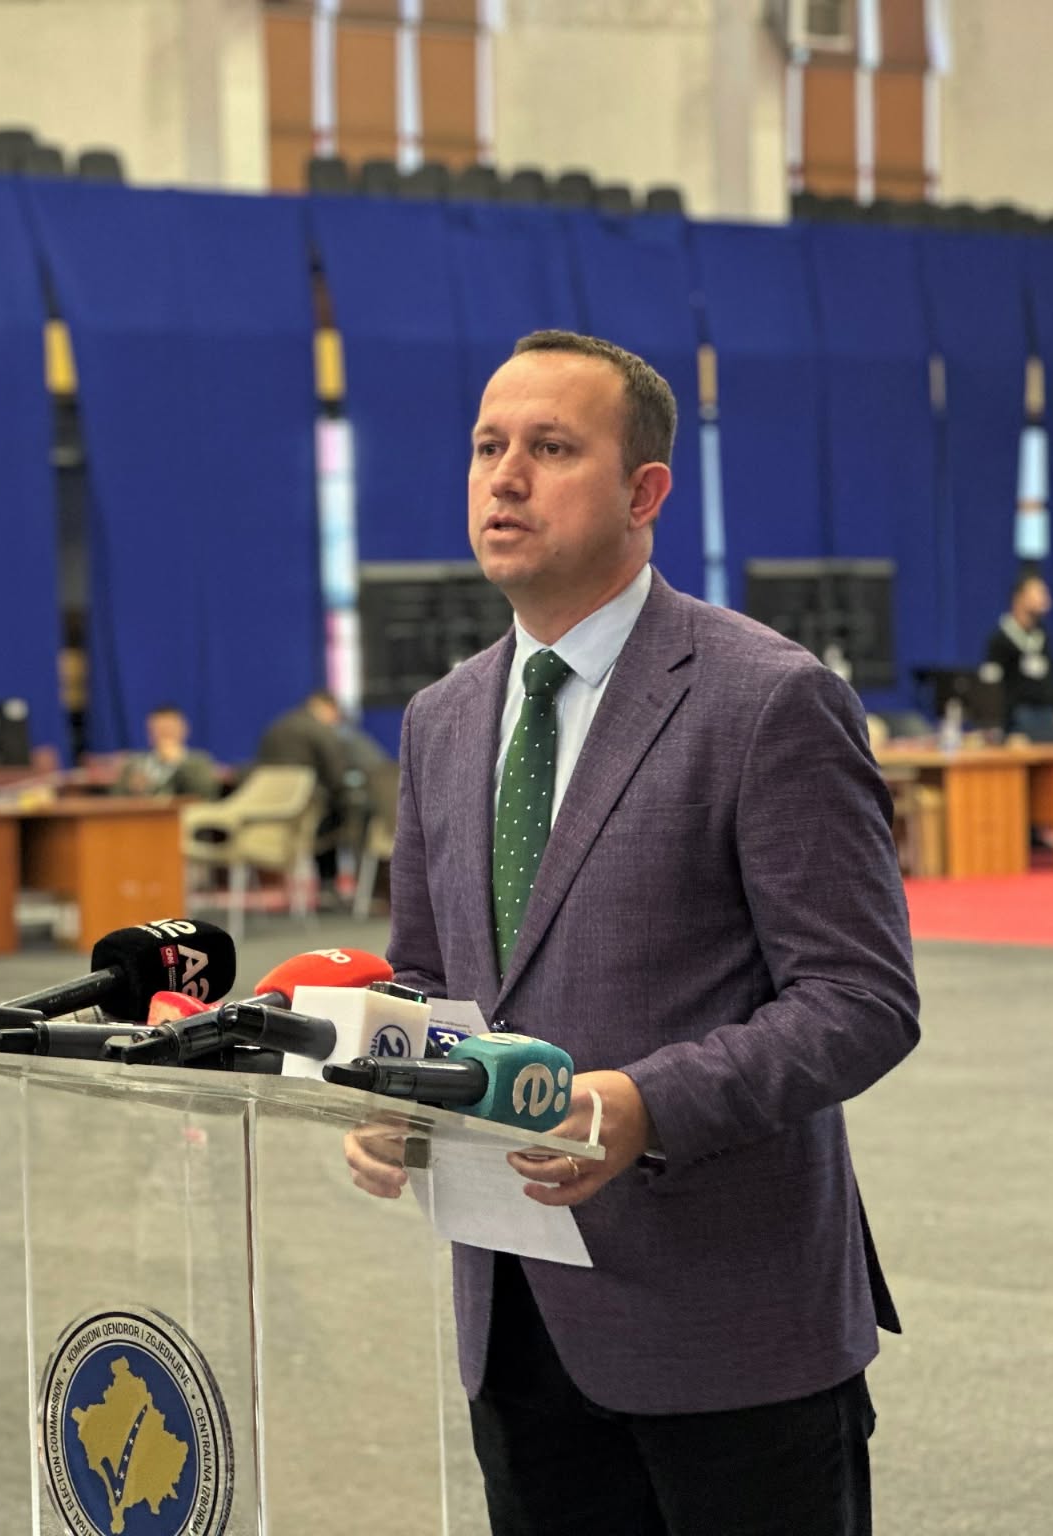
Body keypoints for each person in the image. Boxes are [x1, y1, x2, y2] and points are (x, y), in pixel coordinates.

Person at [347, 330, 919, 1536]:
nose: (504, 478)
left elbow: (858, 1001)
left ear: (643, 491)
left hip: (729, 1329)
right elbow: (428, 972)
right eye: (486, 447)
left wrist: (641, 1106)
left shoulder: (765, 699)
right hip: (513, 1322)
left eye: (551, 449)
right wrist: (387, 1086)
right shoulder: (441, 718)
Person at [254, 690, 356, 888]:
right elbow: (336, 775)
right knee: (340, 811)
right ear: (327, 707)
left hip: (267, 809)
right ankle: (329, 884)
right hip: (304, 809)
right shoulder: (320, 729)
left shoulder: (278, 725)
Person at [981, 571, 1053, 739]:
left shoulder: (1042, 636)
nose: (1045, 599)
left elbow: (1052, 677)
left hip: (1047, 715)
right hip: (1017, 719)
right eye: (1038, 592)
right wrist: (998, 726)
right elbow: (991, 686)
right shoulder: (1000, 640)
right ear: (1019, 598)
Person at [115, 704, 221, 798]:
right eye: (160, 729)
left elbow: (207, 795)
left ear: (184, 730)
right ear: (149, 734)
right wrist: (132, 788)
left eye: (170, 729)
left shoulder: (199, 762)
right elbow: (116, 799)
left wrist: (179, 762)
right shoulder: (135, 763)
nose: (166, 734)